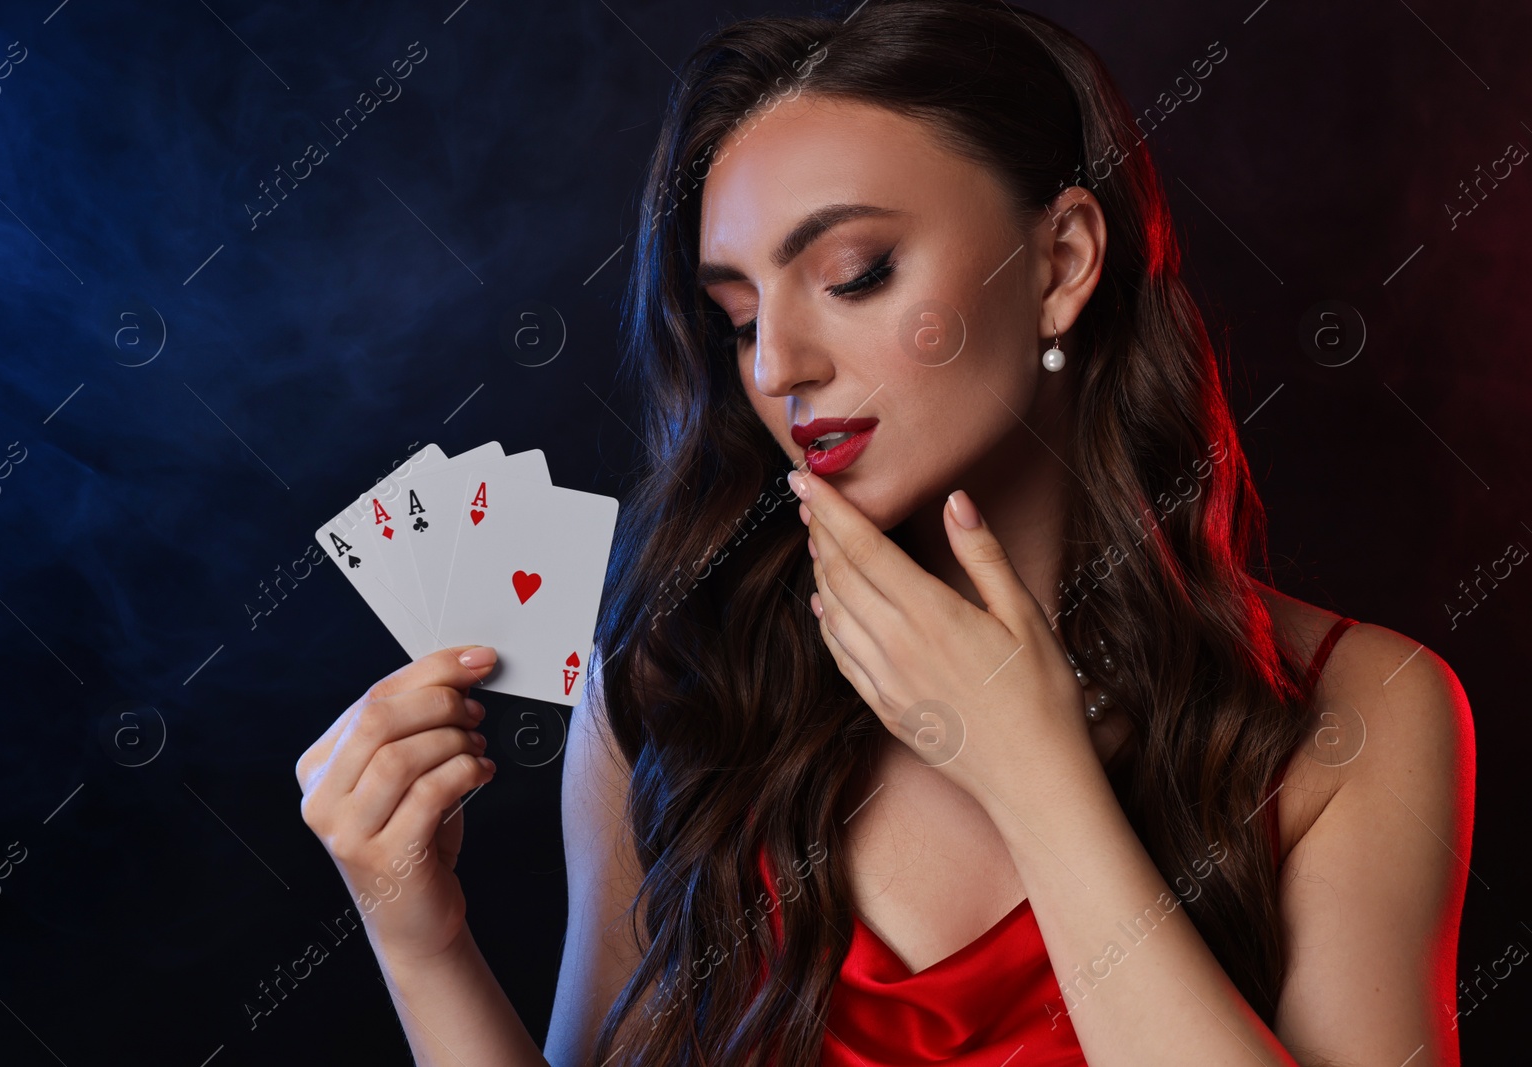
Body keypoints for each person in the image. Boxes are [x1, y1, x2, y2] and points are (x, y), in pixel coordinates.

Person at [294, 3, 1475, 1064]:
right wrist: (422, 937)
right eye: (736, 315)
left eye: (853, 274)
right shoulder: (668, 688)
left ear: (1060, 261)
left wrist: (1035, 775)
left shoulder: (1358, 712)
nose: (776, 366)